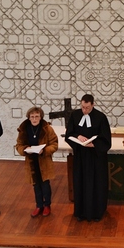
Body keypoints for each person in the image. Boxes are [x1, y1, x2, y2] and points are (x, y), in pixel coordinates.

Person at [65, 94, 111, 222]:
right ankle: (81, 212)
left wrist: (94, 144)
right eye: (83, 107)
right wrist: (78, 136)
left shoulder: (101, 117)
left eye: (87, 108)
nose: (84, 110)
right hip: (80, 156)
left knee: (96, 183)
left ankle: (97, 212)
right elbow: (69, 134)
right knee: (80, 182)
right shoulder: (75, 115)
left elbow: (106, 139)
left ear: (93, 105)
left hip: (96, 157)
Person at [16, 107, 58, 217]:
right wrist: (24, 149)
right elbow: (19, 145)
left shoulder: (47, 128)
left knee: (45, 185)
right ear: (29, 118)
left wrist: (44, 151)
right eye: (32, 117)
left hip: (43, 161)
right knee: (36, 185)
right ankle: (39, 205)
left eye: (37, 117)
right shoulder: (24, 129)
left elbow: (54, 144)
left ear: (41, 117)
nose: (34, 119)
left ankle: (47, 205)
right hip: (31, 161)